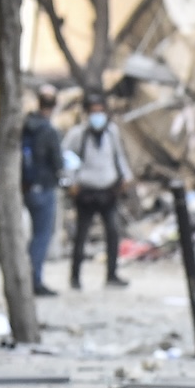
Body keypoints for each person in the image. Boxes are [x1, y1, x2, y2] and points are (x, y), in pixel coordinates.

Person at [64, 88, 134, 289]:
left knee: (113, 232)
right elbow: (68, 159)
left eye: (100, 111)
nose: (98, 115)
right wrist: (71, 182)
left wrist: (125, 177)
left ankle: (111, 274)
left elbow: (119, 156)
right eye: (93, 111)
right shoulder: (77, 134)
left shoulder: (111, 132)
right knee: (81, 235)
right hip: (86, 191)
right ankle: (75, 276)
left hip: (108, 190)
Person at [22, 84, 65, 297]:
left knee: (35, 235)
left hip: (27, 190)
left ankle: (28, 276)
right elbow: (58, 163)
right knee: (42, 236)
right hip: (44, 188)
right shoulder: (48, 130)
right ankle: (34, 280)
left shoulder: (25, 126)